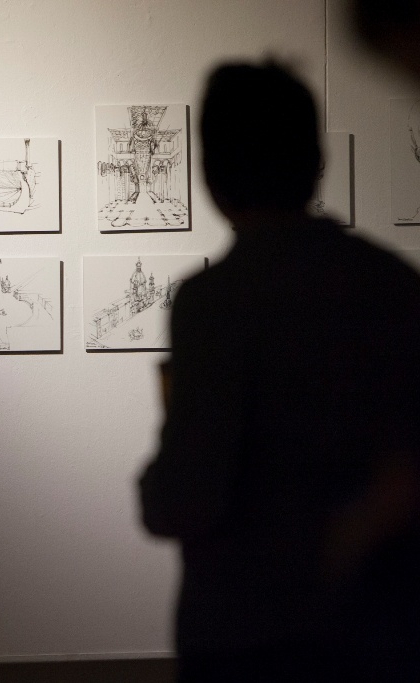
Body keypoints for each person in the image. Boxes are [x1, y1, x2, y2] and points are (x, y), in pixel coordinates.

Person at [138, 62, 420, 681]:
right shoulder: (393, 283)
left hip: (246, 631)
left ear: (211, 174)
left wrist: (154, 491)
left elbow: (188, 494)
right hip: (378, 629)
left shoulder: (214, 302)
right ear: (316, 161)